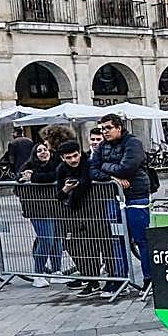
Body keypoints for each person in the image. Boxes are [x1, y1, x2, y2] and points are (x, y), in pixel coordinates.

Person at [89, 113, 151, 287]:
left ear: (119, 127)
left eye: (108, 128)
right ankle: (121, 278)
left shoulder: (133, 143)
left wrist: (105, 167)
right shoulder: (102, 146)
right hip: (113, 196)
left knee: (141, 239)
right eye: (103, 129)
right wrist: (111, 178)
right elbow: (92, 169)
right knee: (117, 238)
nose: (105, 132)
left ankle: (149, 279)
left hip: (136, 195)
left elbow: (127, 168)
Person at [55, 140, 104, 296]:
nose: (73, 160)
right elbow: (59, 194)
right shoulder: (61, 169)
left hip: (91, 211)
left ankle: (93, 280)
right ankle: (86, 276)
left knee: (90, 247)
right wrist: (66, 189)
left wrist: (71, 194)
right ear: (63, 158)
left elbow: (85, 184)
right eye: (69, 157)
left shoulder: (87, 164)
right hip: (72, 214)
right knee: (73, 246)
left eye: (75, 156)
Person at [18, 141, 62, 287]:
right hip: (38, 209)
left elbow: (54, 176)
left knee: (57, 240)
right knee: (46, 240)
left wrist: (34, 177)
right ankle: (38, 273)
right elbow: (17, 185)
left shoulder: (56, 165)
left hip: (56, 207)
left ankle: (57, 271)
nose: (43, 152)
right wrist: (24, 178)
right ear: (34, 154)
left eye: (45, 149)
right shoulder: (27, 167)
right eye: (39, 151)